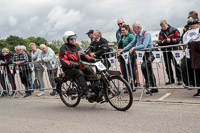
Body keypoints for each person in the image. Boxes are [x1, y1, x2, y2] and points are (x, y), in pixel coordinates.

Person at [118, 21, 158, 94]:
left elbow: (144, 45)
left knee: (144, 66)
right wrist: (123, 49)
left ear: (138, 28)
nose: (133, 30)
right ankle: (154, 87)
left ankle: (148, 82)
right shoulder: (136, 36)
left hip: (149, 54)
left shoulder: (146, 34)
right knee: (149, 70)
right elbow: (132, 43)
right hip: (143, 55)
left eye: (133, 28)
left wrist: (134, 48)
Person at [59, 30, 98, 99]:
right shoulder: (63, 48)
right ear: (66, 39)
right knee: (79, 73)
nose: (73, 40)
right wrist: (71, 64)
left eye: (74, 38)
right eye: (71, 39)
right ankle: (86, 92)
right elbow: (63, 60)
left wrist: (92, 59)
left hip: (77, 65)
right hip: (68, 68)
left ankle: (94, 89)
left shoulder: (77, 47)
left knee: (89, 69)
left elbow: (84, 55)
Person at [181, 13, 200, 97]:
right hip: (189, 54)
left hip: (197, 54)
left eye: (191, 20)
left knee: (198, 72)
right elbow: (184, 40)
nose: (189, 22)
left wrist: (193, 44)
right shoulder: (187, 31)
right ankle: (192, 84)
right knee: (184, 67)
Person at [158, 19, 182, 85]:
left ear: (166, 24)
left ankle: (180, 79)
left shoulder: (174, 29)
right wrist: (159, 42)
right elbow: (159, 41)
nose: (163, 28)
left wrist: (171, 40)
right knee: (167, 66)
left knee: (176, 64)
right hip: (165, 51)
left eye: (164, 26)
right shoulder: (161, 33)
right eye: (161, 26)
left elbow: (179, 38)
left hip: (174, 49)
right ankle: (171, 79)